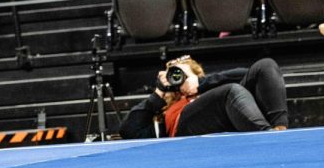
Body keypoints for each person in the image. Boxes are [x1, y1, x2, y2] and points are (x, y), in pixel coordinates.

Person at [120, 55, 289, 137]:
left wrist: (201, 83)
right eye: (174, 76)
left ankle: (281, 131)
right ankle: (269, 137)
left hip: (227, 113)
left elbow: (254, 74)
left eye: (181, 74)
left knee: (266, 65)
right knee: (230, 91)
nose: (177, 79)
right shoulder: (166, 113)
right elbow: (128, 131)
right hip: (184, 129)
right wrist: (158, 94)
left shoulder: (210, 87)